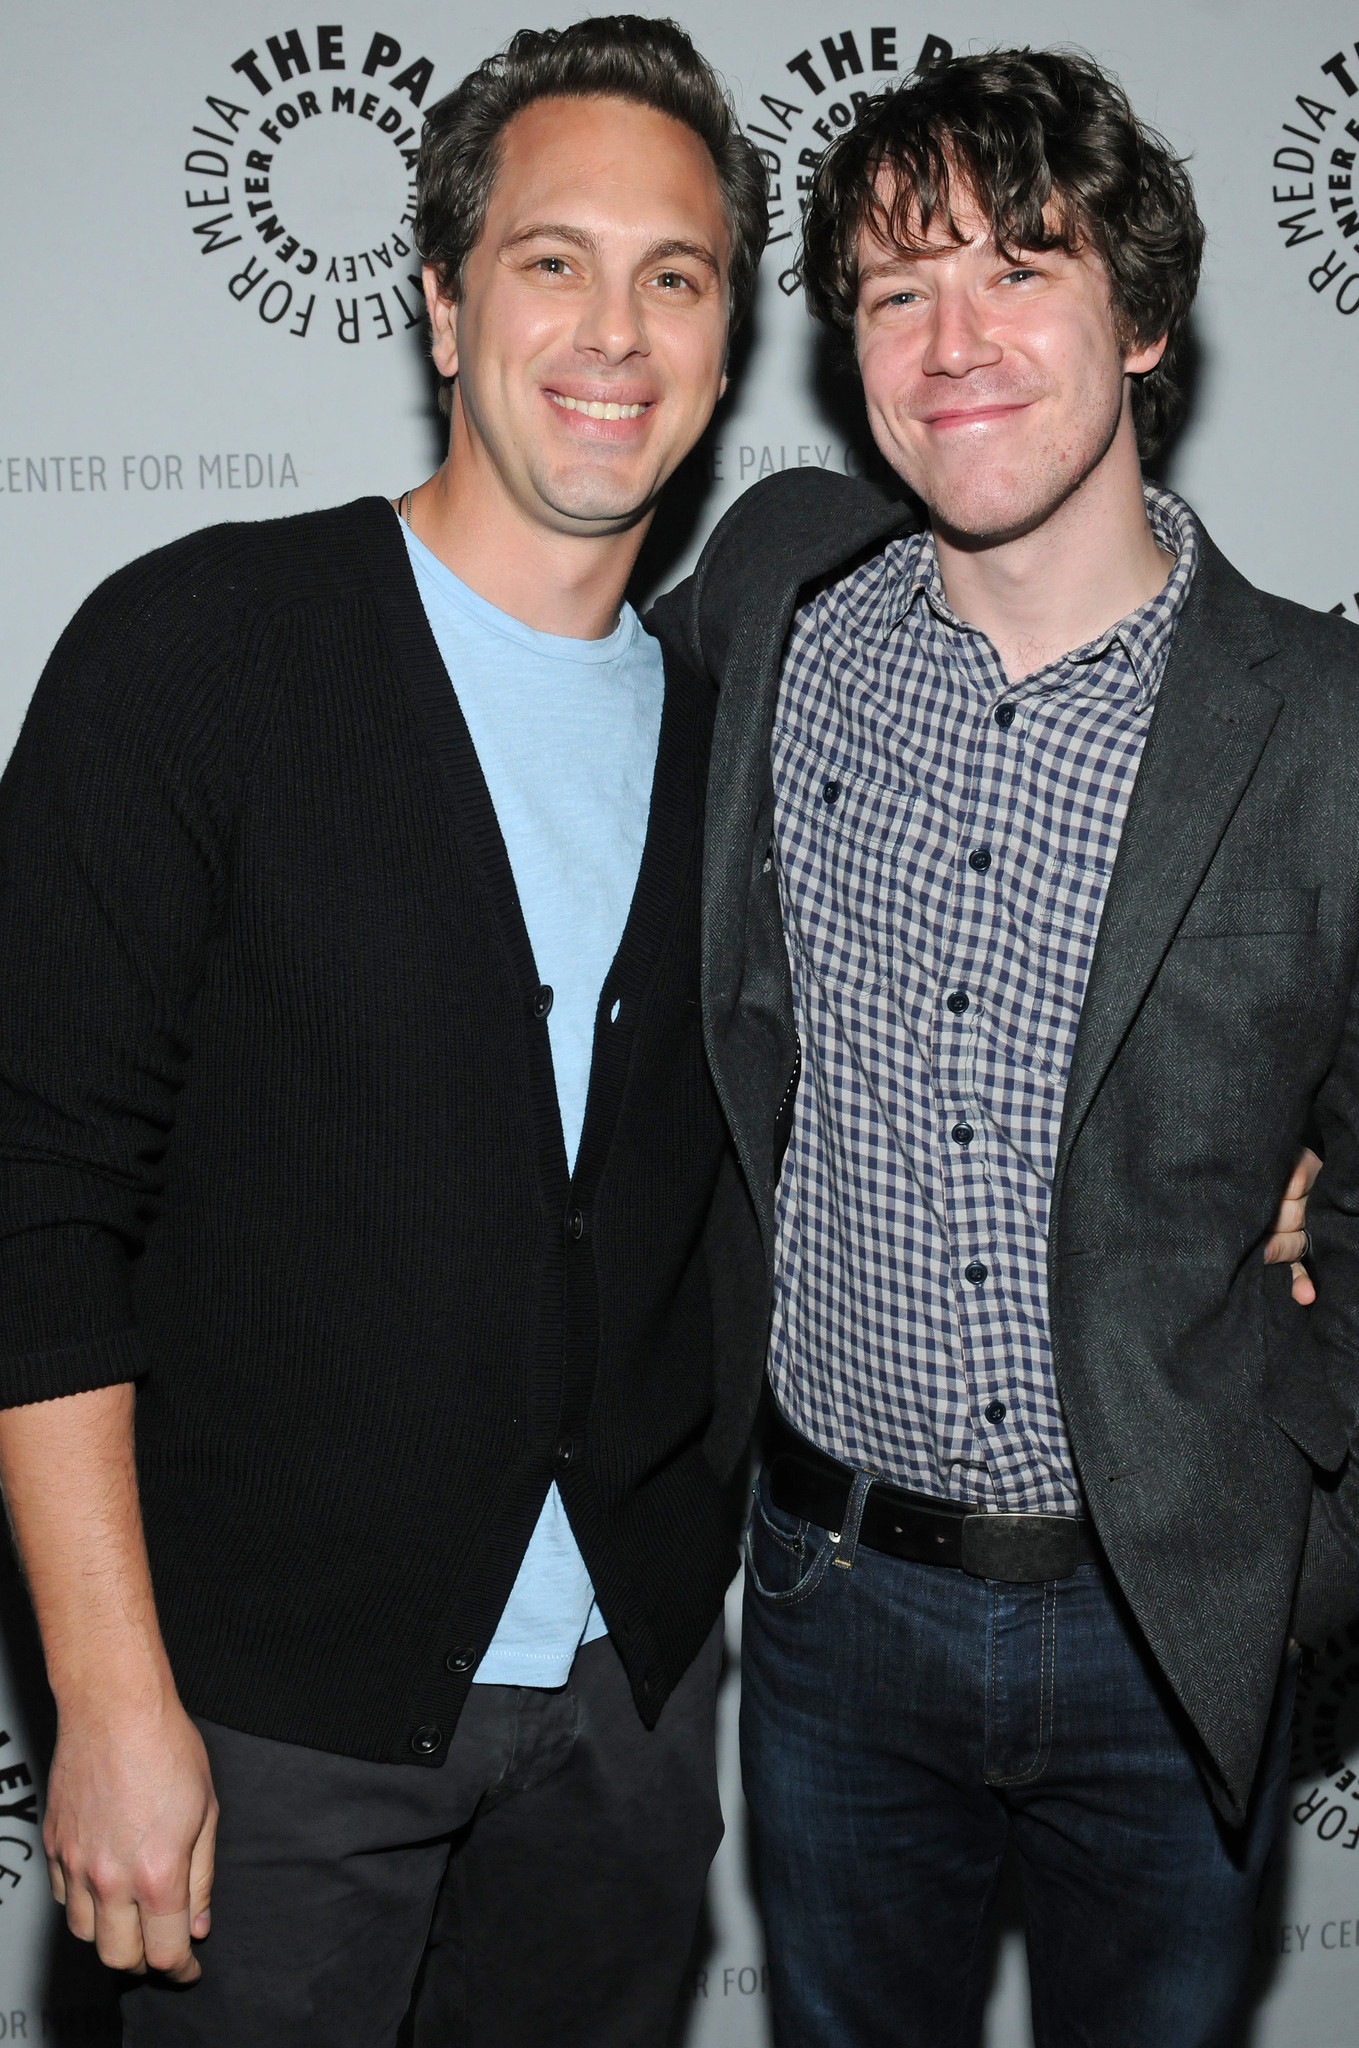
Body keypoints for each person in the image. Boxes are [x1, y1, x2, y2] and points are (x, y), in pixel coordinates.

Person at [0, 18, 769, 2044]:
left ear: (723, 342)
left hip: (619, 1726)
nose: (613, 329)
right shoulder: (198, 651)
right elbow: (36, 1208)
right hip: (258, 1738)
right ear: (440, 301)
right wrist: (108, 1700)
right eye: (550, 259)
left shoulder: (737, 745)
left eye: (673, 276)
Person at [651, 46, 1352, 2048]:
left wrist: (1299, 1548)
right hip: (824, 1609)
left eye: (1018, 265)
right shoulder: (777, 597)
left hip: (1173, 1629)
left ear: (1139, 321)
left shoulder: (1323, 721)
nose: (952, 340)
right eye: (893, 288)